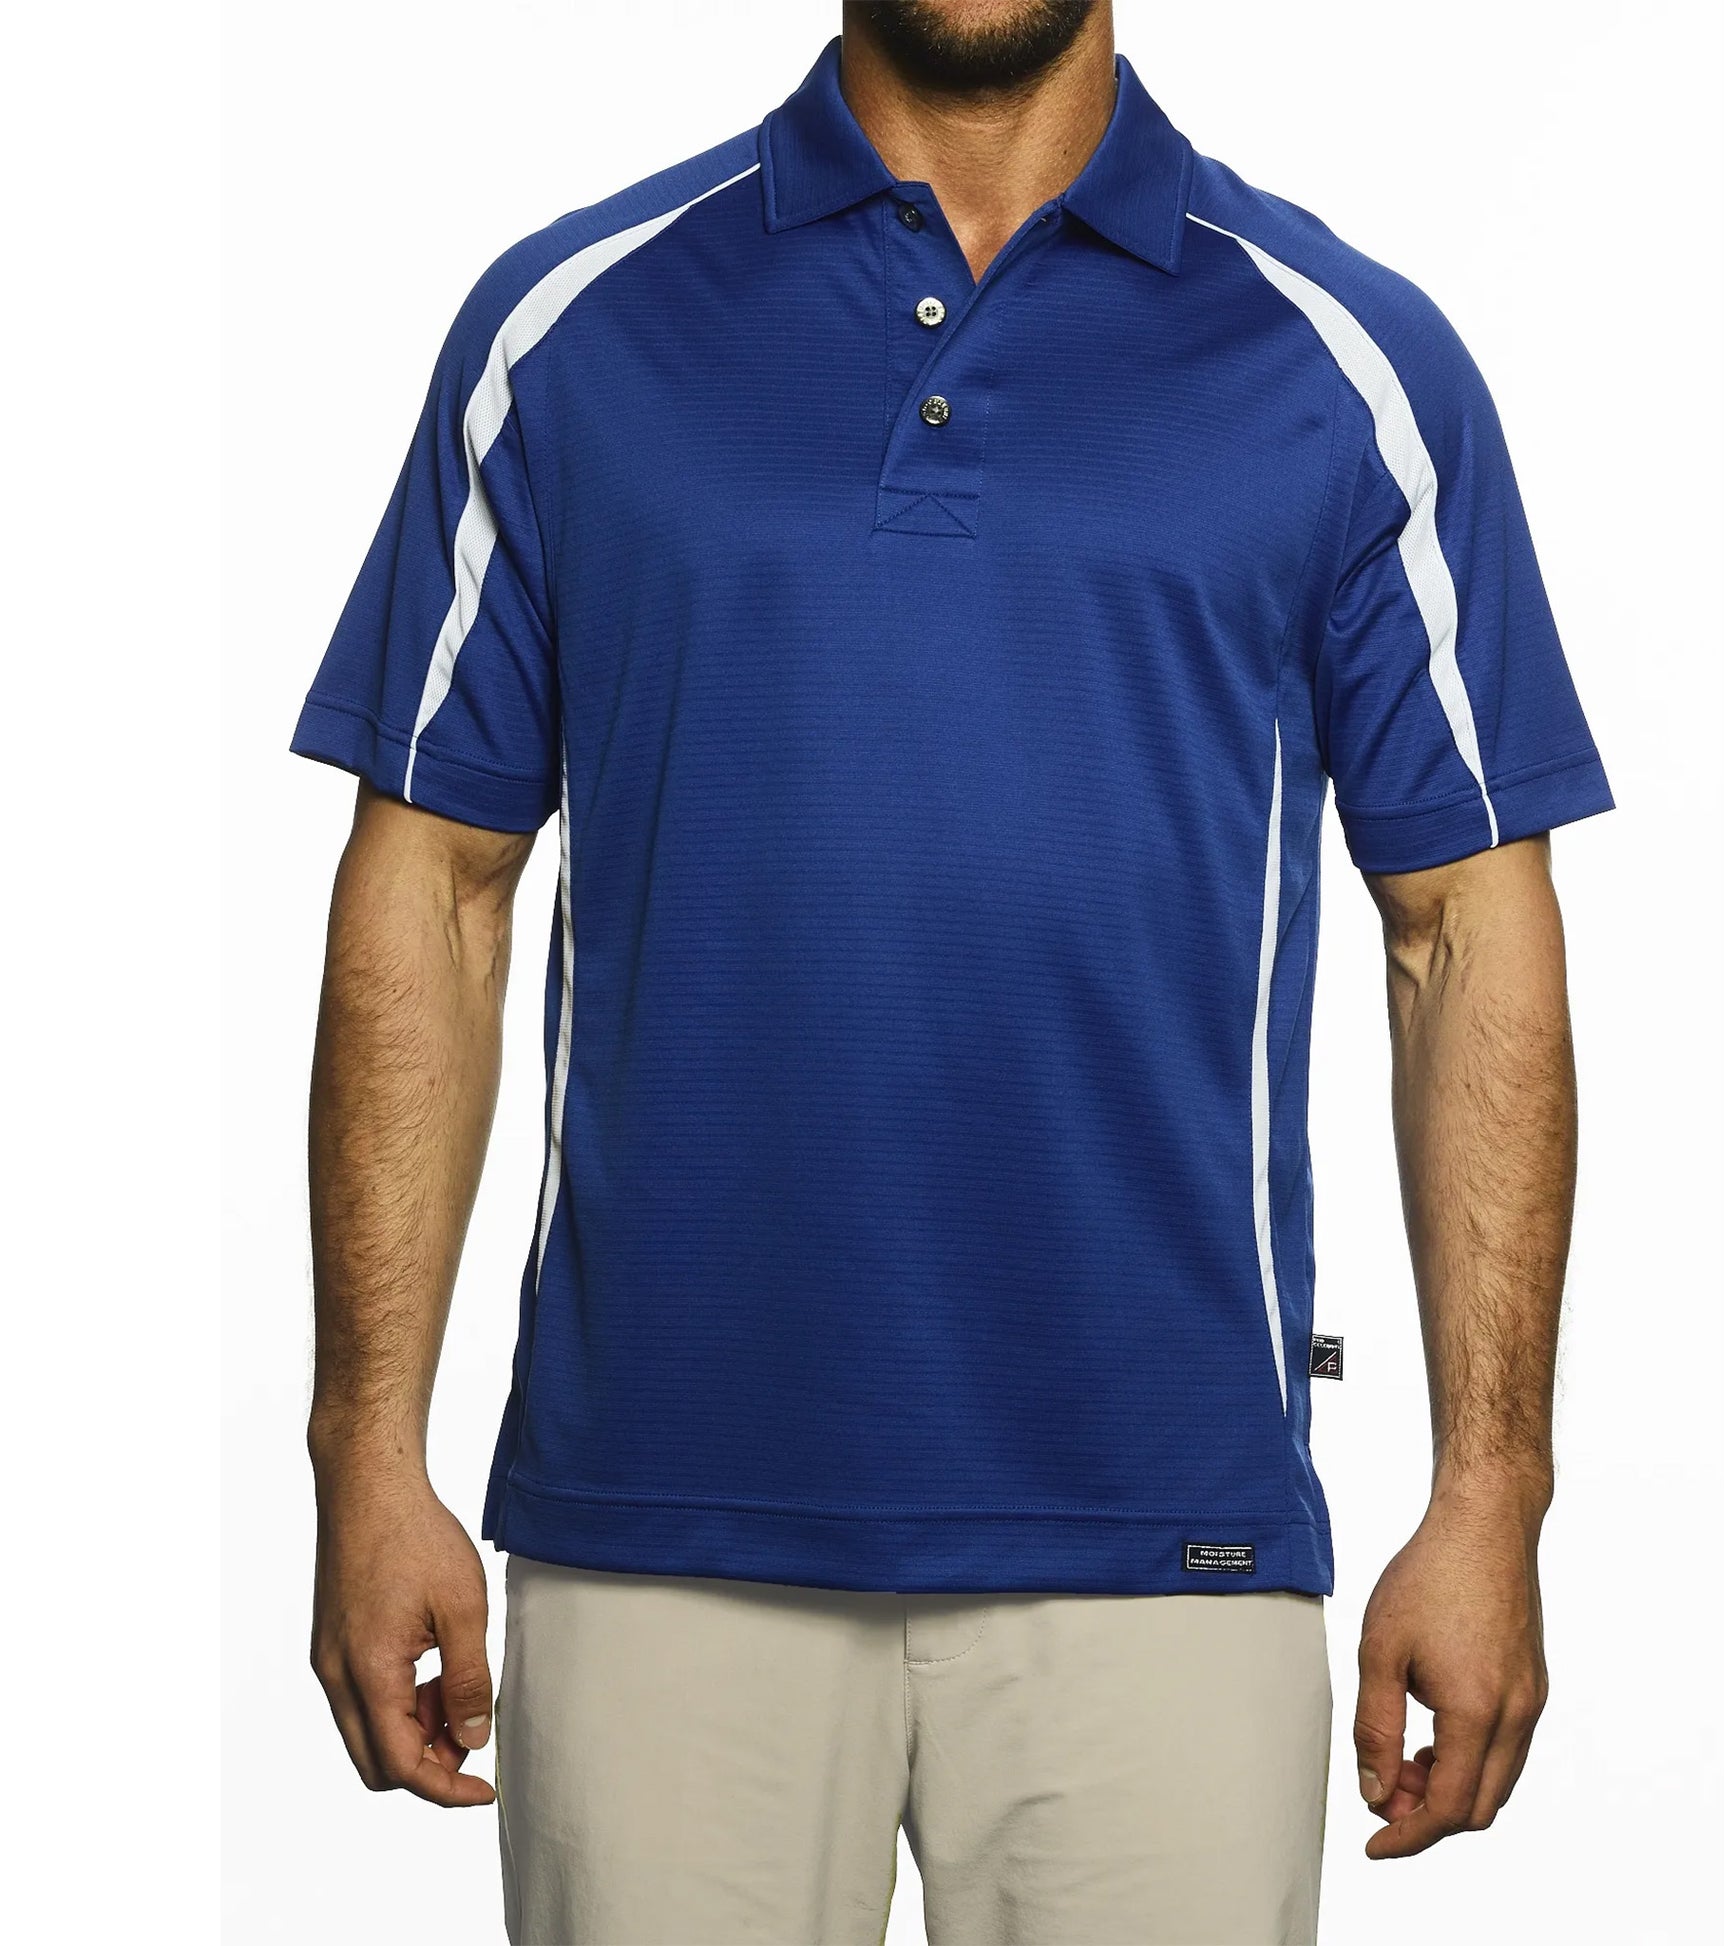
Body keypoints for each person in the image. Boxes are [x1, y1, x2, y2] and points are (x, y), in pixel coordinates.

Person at [294, 3, 1612, 1940]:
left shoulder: (1345, 360)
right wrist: (363, 1445)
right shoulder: (568, 332)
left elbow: (1464, 930)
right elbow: (433, 891)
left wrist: (1492, 1491)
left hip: (1167, 1534)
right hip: (659, 1525)